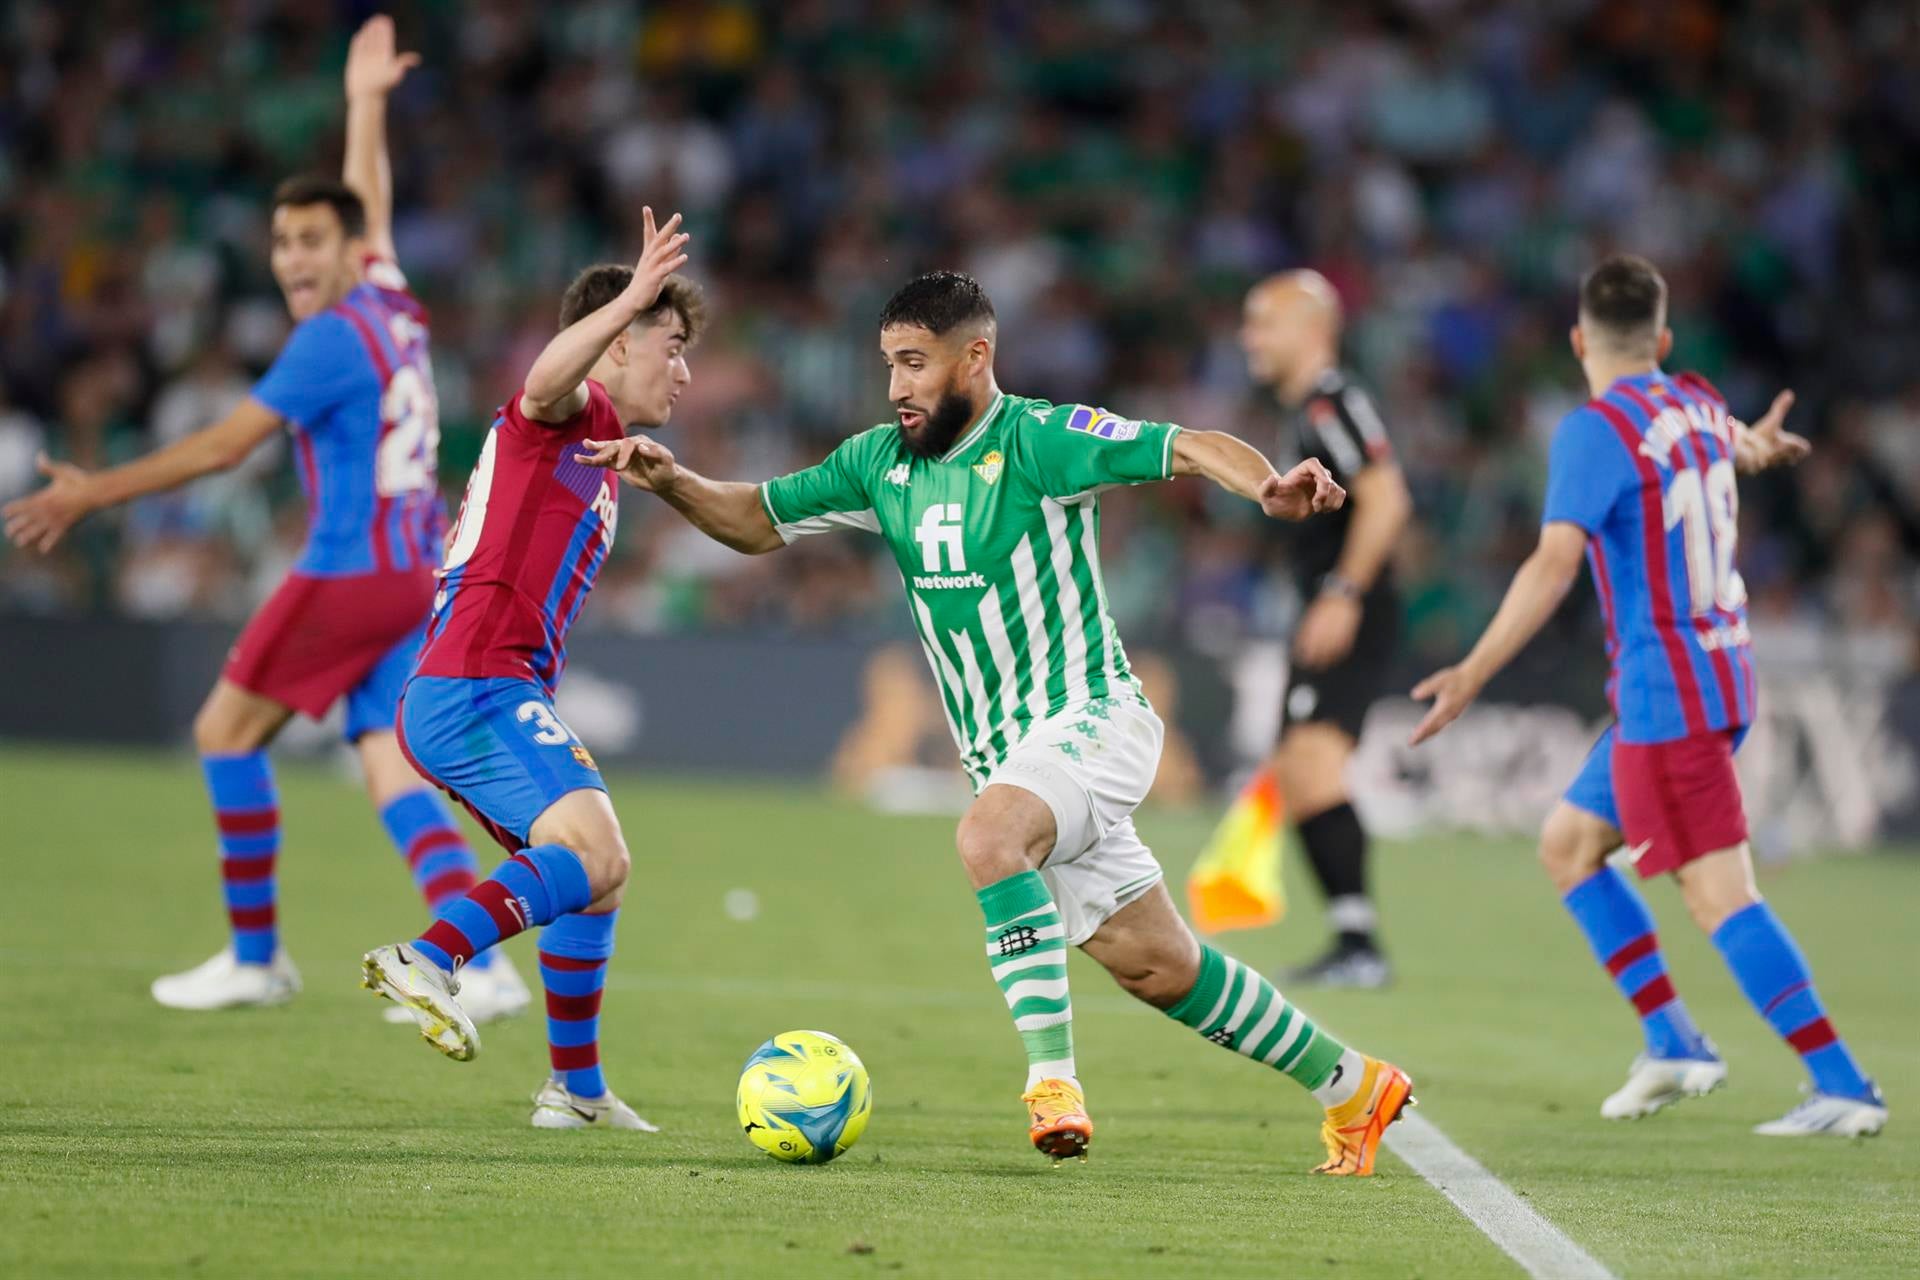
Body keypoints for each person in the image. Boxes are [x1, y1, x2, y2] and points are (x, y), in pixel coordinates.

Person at [580, 270, 1415, 1174]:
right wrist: (672, 481)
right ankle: (1356, 1088)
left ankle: (1051, 1082)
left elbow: (1187, 445)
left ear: (975, 357)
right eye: (889, 365)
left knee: (988, 837)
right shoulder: (877, 464)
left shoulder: (1040, 441)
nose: (897, 386)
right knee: (1158, 968)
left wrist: (1266, 486)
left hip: (1093, 720)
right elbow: (757, 520)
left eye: (914, 364)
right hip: (1010, 756)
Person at [1, 17, 527, 1021]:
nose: (292, 259)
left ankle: (255, 955)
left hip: (349, 569)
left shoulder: (330, 338)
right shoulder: (392, 300)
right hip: (414, 571)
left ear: (342, 252)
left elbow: (218, 448)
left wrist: (88, 491)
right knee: (386, 762)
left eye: (309, 241)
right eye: (282, 242)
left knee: (223, 731)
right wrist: (365, 102)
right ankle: (486, 967)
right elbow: (368, 202)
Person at [1409, 255, 1887, 1137]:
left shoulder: (1596, 430)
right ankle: (1672, 1040)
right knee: (1567, 843)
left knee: (1719, 897)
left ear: (1578, 340)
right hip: (1720, 675)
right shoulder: (1699, 401)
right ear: (1663, 342)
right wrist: (1761, 448)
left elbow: (1554, 563)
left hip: (1669, 696)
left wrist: (1472, 672)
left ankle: (1844, 1084)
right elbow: (1735, 442)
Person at [360, 209, 700, 1132]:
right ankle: (430, 959)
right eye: (668, 345)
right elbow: (544, 379)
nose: (684, 370)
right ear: (617, 342)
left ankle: (576, 1093)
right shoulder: (570, 409)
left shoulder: (603, 450)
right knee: (599, 855)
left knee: (599, 875)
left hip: (479, 688)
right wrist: (632, 293)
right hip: (476, 684)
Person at [1237, 270, 1412, 987]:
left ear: (1312, 331)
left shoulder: (1333, 401)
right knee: (1301, 769)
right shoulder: (1309, 409)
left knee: (1311, 764)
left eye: (1263, 323)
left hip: (1352, 605)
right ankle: (1353, 940)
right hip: (1332, 604)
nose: (1250, 338)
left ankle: (1360, 945)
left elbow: (1388, 498)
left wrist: (1342, 592)